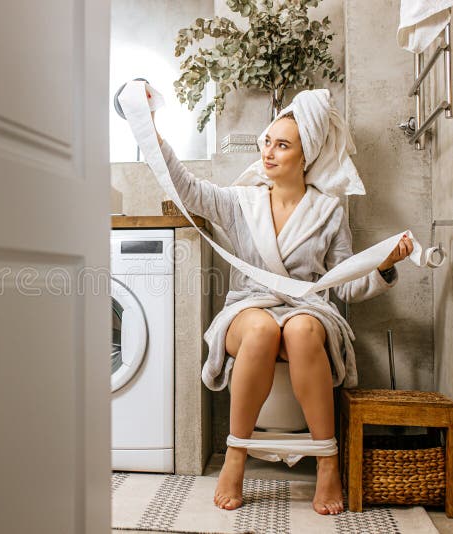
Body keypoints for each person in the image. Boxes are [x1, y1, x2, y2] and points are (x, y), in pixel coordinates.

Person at [147, 88, 413, 515]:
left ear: (306, 157)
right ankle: (237, 455)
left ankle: (328, 462)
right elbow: (188, 189)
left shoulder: (328, 212)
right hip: (249, 308)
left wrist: (383, 267)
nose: (268, 153)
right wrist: (153, 131)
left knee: (303, 329)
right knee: (262, 328)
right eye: (267, 142)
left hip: (307, 310)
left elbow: (343, 285)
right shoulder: (240, 201)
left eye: (282, 145)